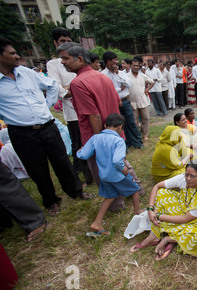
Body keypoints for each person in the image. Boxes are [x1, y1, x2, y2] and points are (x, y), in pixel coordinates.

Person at [0, 38, 93, 216]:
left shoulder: (27, 73)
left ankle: (75, 191)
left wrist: (46, 105)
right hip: (22, 132)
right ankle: (50, 200)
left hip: (47, 126)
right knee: (37, 168)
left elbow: (51, 86)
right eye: (12, 53)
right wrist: (11, 116)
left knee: (62, 160)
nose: (17, 56)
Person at [58, 42, 144, 211]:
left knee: (103, 173)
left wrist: (99, 141)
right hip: (114, 132)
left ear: (80, 59)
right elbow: (117, 103)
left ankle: (116, 205)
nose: (62, 62)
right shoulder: (103, 77)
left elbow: (93, 115)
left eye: (65, 58)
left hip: (97, 135)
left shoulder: (78, 83)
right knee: (121, 162)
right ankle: (137, 189)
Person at [130, 161, 197, 261]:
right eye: (186, 175)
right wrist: (150, 210)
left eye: (192, 176)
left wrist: (158, 216)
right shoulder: (183, 179)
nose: (188, 179)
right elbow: (157, 186)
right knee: (161, 193)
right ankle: (155, 235)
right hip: (181, 207)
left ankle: (168, 239)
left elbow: (185, 219)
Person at [77, 114, 143, 237]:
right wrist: (123, 167)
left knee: (110, 196)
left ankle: (97, 222)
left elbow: (84, 155)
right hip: (117, 175)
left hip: (104, 175)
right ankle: (137, 211)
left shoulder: (95, 138)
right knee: (135, 189)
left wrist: (79, 152)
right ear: (120, 127)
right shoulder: (119, 140)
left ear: (105, 125)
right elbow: (117, 160)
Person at [46, 27, 93, 186]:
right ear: (55, 43)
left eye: (68, 41)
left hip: (90, 111)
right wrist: (75, 89)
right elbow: (58, 89)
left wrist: (71, 88)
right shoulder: (54, 64)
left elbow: (88, 85)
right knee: (79, 145)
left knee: (93, 141)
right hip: (73, 113)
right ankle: (87, 177)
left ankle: (95, 172)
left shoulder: (79, 61)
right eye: (62, 42)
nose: (66, 44)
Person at [102, 51, 144, 150]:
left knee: (131, 122)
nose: (117, 62)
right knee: (118, 124)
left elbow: (128, 84)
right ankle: (125, 144)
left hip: (125, 101)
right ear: (108, 61)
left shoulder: (121, 73)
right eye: (114, 60)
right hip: (113, 102)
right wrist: (119, 89)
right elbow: (107, 89)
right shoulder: (103, 75)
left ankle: (137, 142)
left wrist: (118, 75)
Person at [127, 58, 154, 142]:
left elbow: (152, 82)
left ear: (139, 66)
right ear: (131, 65)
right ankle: (137, 136)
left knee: (146, 118)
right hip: (132, 102)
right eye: (134, 65)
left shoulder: (142, 75)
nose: (135, 67)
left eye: (137, 66)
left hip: (143, 101)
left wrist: (147, 89)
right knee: (134, 121)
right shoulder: (126, 76)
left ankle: (145, 135)